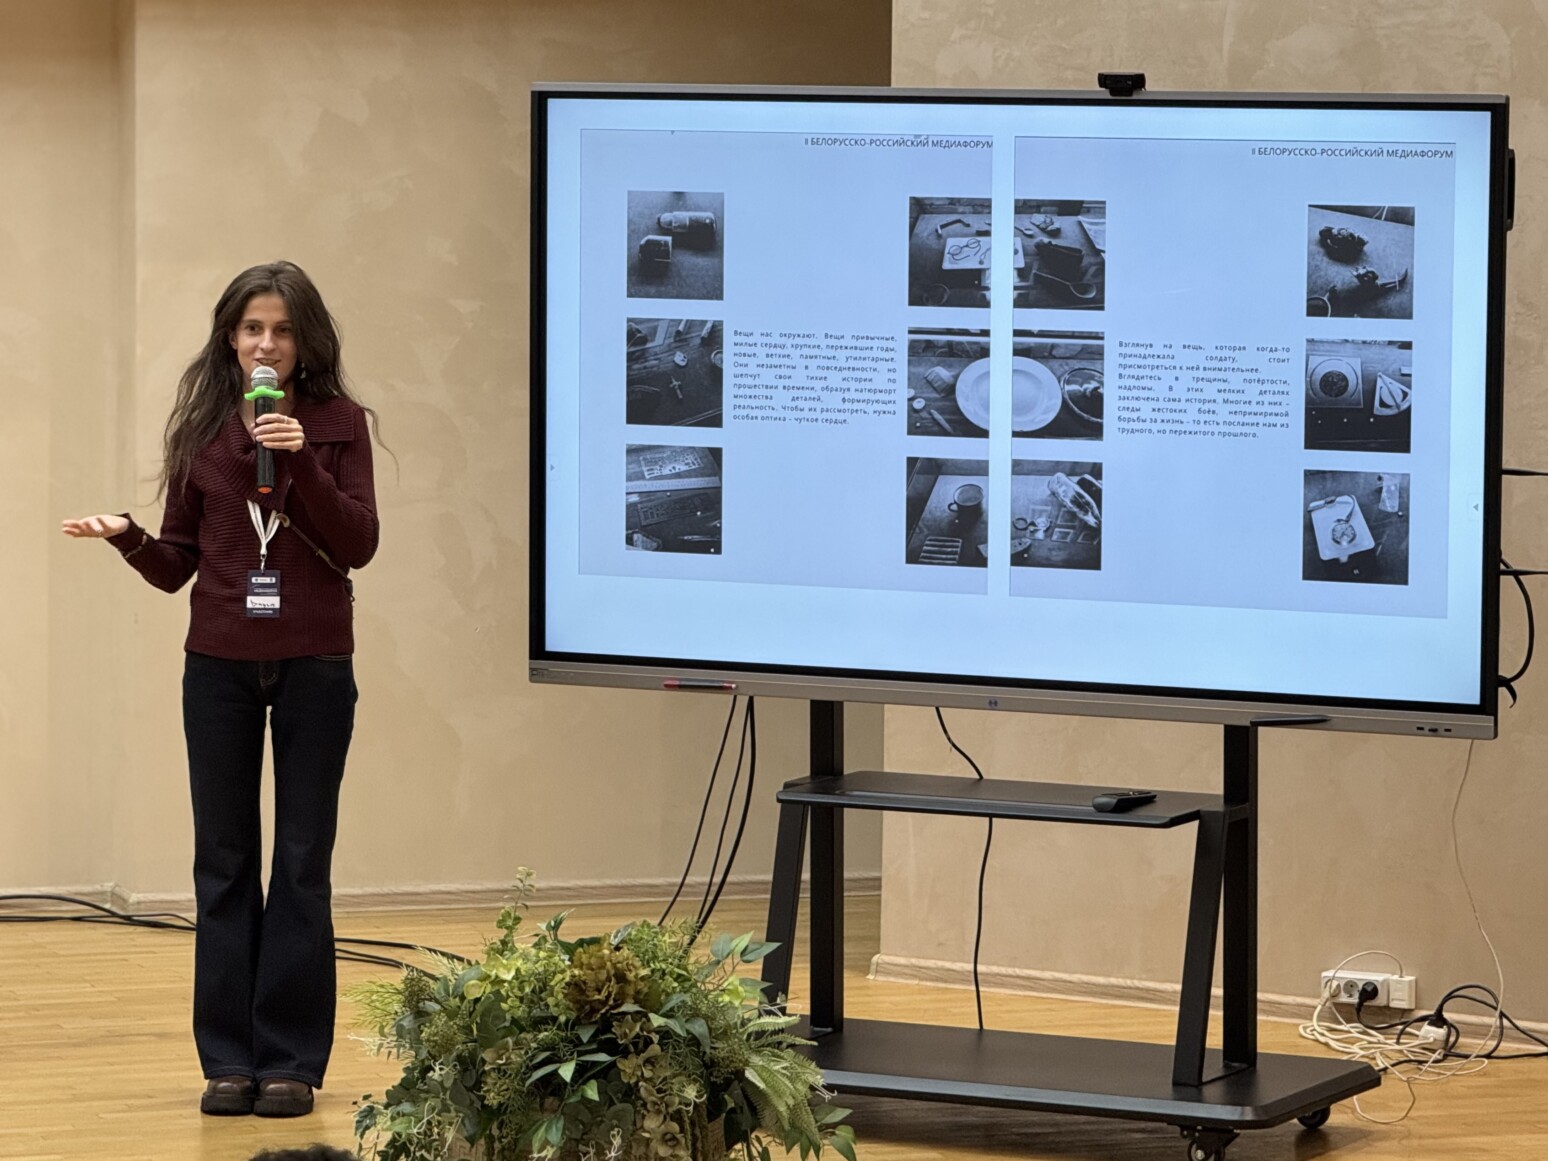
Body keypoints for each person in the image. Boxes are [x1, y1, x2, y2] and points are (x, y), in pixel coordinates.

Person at [62, 261, 381, 1117]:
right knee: (224, 860)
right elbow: (177, 565)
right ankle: (230, 1058)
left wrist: (301, 463)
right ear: (230, 339)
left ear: (305, 340)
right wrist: (127, 537)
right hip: (219, 667)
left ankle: (291, 1060)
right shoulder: (204, 429)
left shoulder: (338, 425)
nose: (266, 345)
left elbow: (358, 544)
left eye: (281, 330)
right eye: (251, 329)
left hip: (316, 662)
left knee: (302, 861)